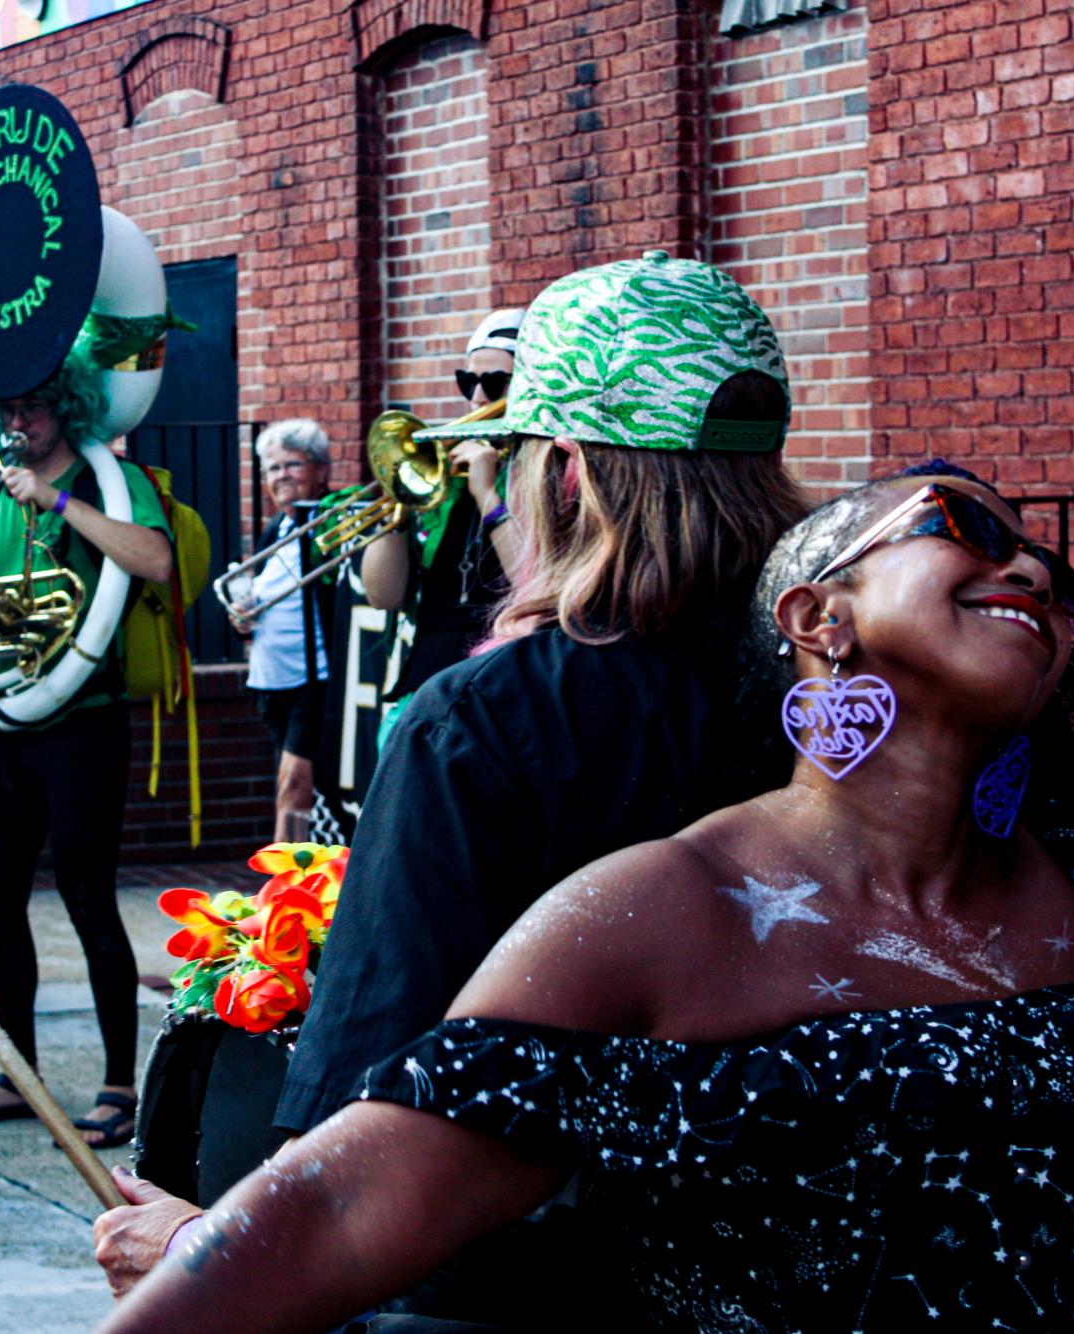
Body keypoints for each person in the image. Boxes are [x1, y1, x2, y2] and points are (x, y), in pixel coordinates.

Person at [99, 397, 1074, 1331]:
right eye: (960, 521)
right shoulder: (655, 911)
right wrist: (202, 1252)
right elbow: (344, 1207)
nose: (1026, 563)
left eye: (1050, 567)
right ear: (815, 616)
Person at [97, 251, 810, 1304]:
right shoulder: (867, 687)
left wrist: (203, 1249)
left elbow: (360, 1133)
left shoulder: (482, 726)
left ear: (566, 472)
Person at [0, 343, 174, 1147]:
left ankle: (118, 1085)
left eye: (30, 408)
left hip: (82, 722)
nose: (16, 424)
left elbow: (155, 561)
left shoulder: (111, 479)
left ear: (64, 404)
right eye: (3, 411)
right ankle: (16, 1074)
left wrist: (58, 505)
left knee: (87, 894)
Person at [359, 309, 529, 744]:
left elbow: (536, 582)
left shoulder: (542, 475)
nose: (475, 397)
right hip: (428, 687)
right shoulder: (445, 477)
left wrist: (488, 496)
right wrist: (395, 499)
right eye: (466, 381)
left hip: (504, 693)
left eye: (495, 383)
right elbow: (384, 595)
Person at [232, 419, 335, 842]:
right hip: (273, 679)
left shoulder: (328, 523)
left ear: (321, 471)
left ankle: (282, 890)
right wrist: (244, 618)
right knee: (291, 782)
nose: (281, 477)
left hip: (314, 678)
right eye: (272, 469)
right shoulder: (277, 528)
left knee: (295, 785)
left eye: (293, 465)